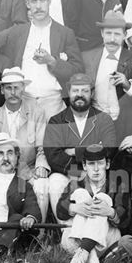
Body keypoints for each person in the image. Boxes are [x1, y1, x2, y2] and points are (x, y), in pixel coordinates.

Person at [0, 0, 85, 120]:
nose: (38, 6)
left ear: (49, 1)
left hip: (53, 103)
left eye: (42, 0)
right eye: (33, 1)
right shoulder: (15, 33)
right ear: (27, 4)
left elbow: (78, 70)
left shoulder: (65, 33)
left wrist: (52, 61)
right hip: (22, 102)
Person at [44, 74, 118, 219]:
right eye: (75, 91)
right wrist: (80, 171)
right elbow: (54, 156)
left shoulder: (104, 119)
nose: (79, 95)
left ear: (92, 93)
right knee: (55, 181)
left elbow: (109, 149)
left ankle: (94, 234)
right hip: (68, 173)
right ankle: (66, 230)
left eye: (84, 91)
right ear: (69, 93)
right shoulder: (56, 121)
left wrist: (75, 151)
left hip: (98, 175)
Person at [0, 67, 51, 219]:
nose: (13, 92)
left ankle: (38, 235)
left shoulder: (36, 112)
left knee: (41, 185)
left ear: (23, 88)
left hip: (30, 168)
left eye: (17, 87)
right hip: (5, 170)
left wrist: (40, 166)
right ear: (2, 90)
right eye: (8, 88)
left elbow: (41, 147)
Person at [57, 143, 129, 263]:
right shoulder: (76, 183)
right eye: (91, 164)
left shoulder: (118, 185)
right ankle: (92, 258)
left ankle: (82, 254)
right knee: (81, 194)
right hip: (74, 240)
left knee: (102, 199)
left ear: (107, 164)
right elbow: (60, 211)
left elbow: (126, 219)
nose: (96, 169)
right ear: (84, 166)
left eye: (100, 163)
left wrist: (110, 212)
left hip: (106, 240)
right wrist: (75, 208)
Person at [81, 10, 132, 122]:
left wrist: (127, 84)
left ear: (125, 35)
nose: (112, 39)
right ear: (102, 33)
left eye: (117, 34)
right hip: (93, 118)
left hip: (123, 120)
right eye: (108, 33)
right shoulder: (86, 57)